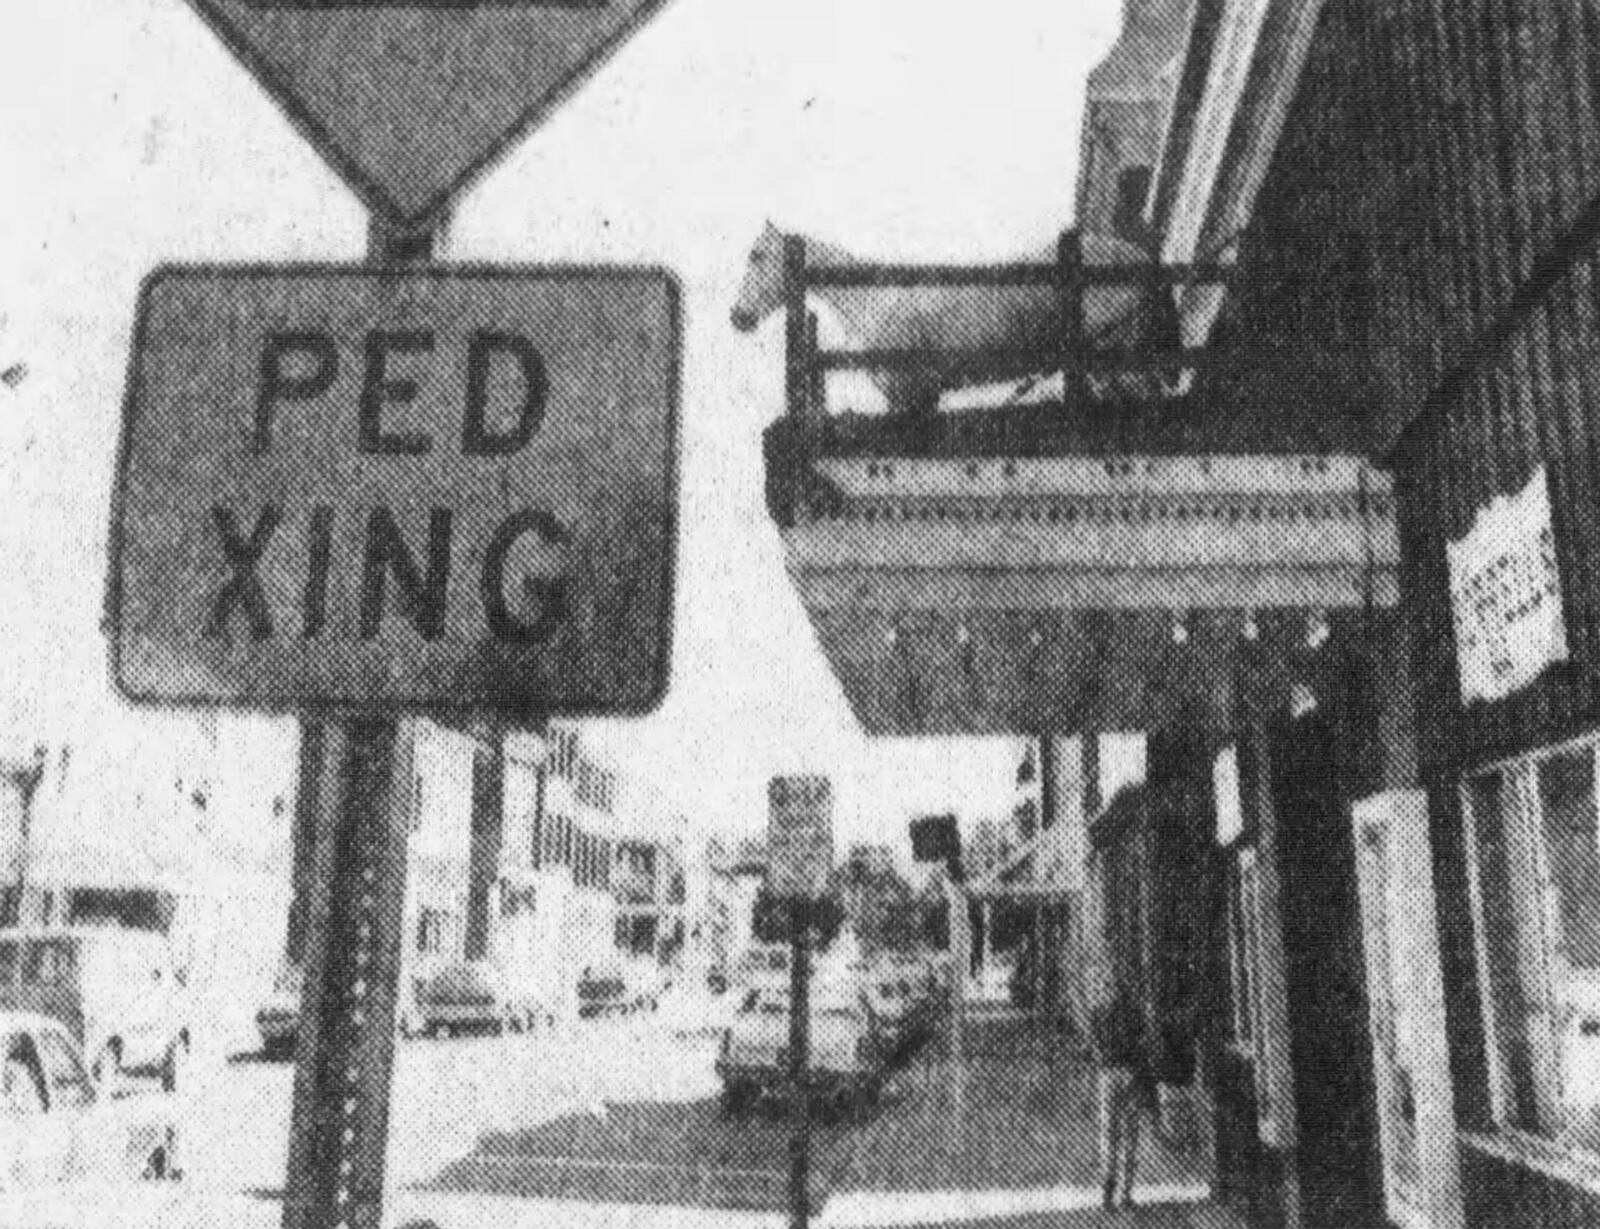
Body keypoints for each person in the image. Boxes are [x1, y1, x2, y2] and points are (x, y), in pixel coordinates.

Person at [1091, 989, 1158, 1210]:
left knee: (1108, 1134)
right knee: (1130, 1133)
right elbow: (1145, 1044)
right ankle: (1126, 1194)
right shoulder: (1136, 1012)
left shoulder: (1098, 1012)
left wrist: (1102, 1059)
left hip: (1107, 1075)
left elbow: (1094, 1046)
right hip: (1131, 1075)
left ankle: (1107, 1193)